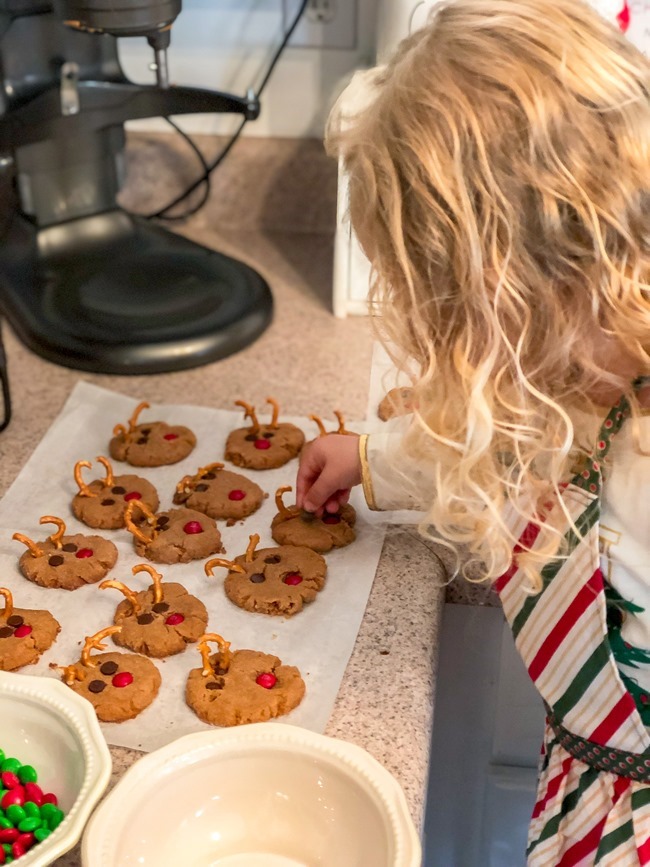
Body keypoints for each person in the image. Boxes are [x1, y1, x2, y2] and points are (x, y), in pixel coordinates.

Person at [296, 0, 650, 863]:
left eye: (443, 315)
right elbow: (509, 447)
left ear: (501, 296)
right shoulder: (573, 375)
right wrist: (372, 460)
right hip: (583, 790)